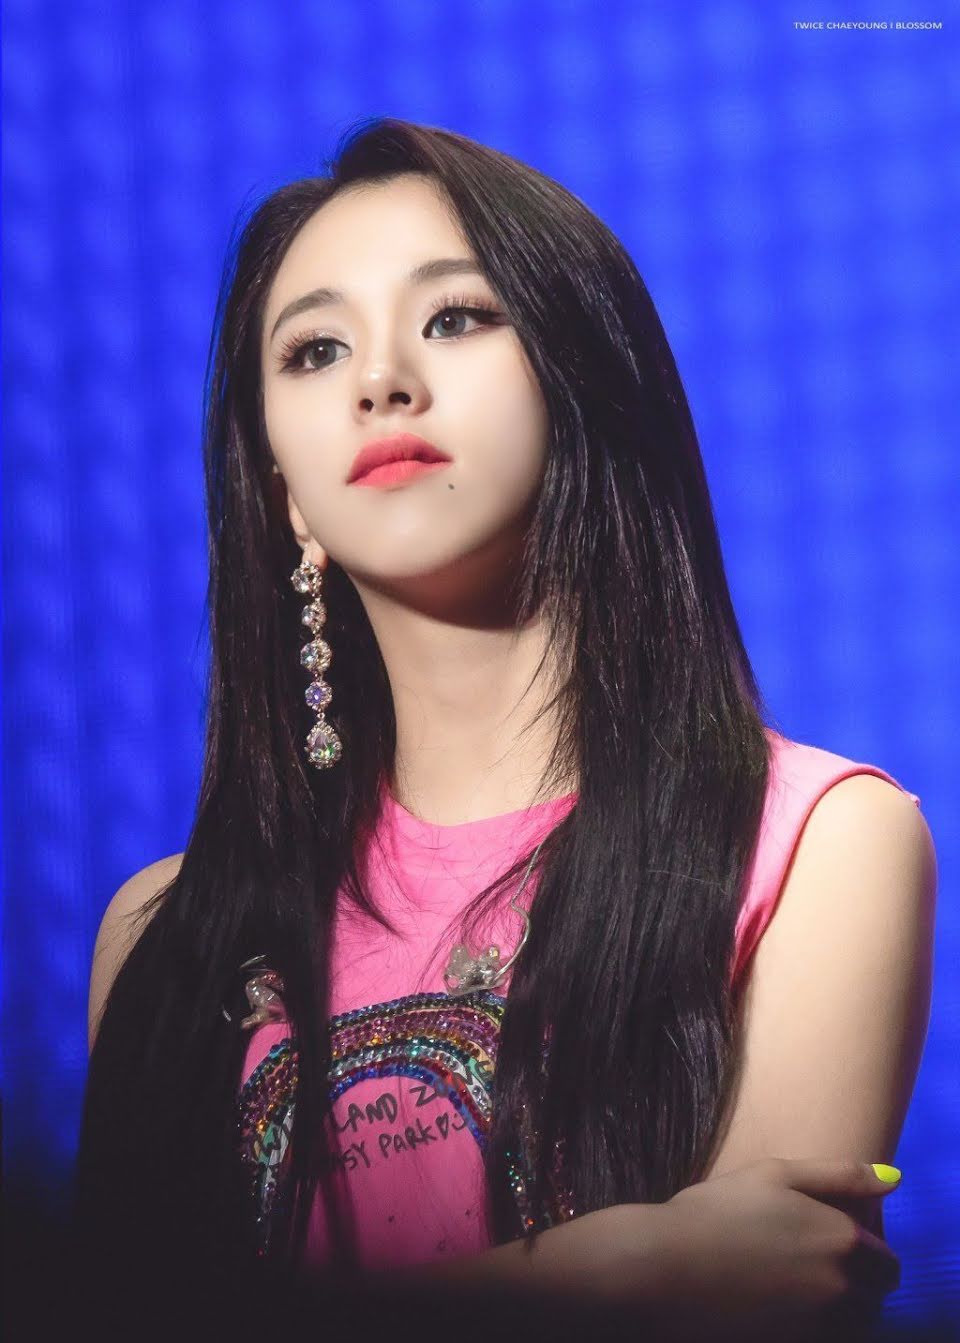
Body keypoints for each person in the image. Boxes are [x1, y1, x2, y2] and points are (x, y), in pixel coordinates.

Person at [71, 116, 937, 1342]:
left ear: (581, 385)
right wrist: (608, 1275)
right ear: (282, 493)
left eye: (455, 317)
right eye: (315, 348)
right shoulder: (163, 940)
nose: (380, 380)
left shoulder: (816, 846)